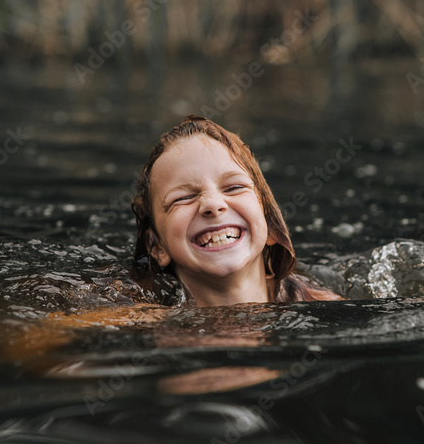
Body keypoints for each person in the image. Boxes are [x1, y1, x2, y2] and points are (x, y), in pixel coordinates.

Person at [130, 115, 341, 306]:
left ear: (269, 223)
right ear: (156, 246)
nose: (212, 204)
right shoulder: (133, 319)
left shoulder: (325, 307)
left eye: (234, 187)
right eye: (183, 198)